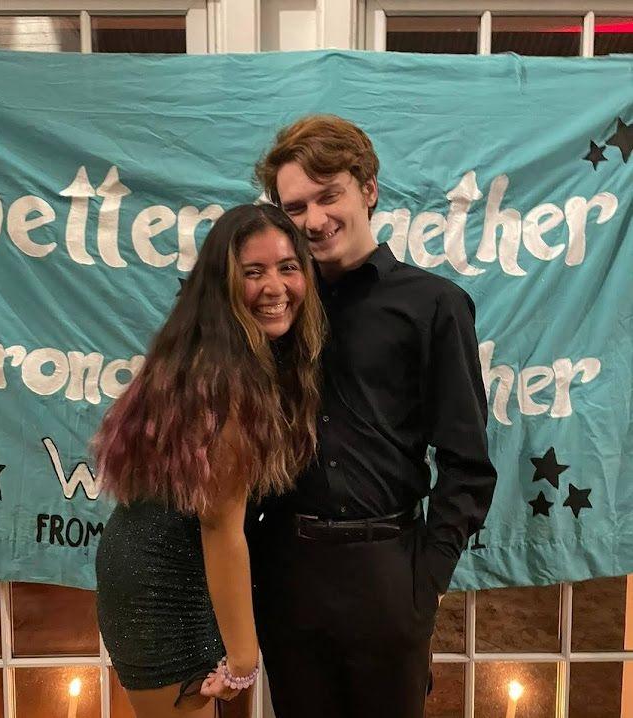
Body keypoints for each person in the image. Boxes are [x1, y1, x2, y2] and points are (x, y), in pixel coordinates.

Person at [251, 115, 497, 718]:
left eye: (328, 195)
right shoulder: (273, 307)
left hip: (388, 575)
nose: (314, 220)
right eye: (295, 207)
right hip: (287, 574)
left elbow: (468, 465)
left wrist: (423, 584)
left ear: (368, 189)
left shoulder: (433, 305)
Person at [94, 203, 325, 718]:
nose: (275, 286)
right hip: (161, 590)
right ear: (224, 284)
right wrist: (243, 658)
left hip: (175, 574)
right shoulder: (226, 379)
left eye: (288, 267)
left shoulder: (223, 355)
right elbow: (220, 527)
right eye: (253, 272)